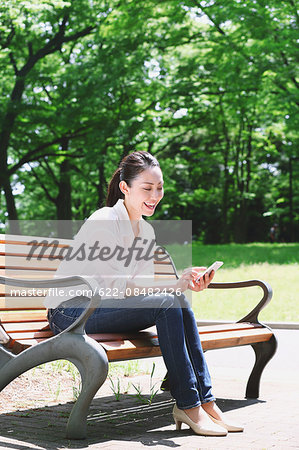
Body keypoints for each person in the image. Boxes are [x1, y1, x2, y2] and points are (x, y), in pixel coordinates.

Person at [46, 151, 243, 437]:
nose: (155, 195)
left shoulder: (146, 232)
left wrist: (182, 284)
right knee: (170, 300)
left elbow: (139, 290)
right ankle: (189, 405)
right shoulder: (105, 221)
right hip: (70, 311)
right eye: (147, 188)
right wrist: (173, 286)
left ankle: (205, 400)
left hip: (102, 307)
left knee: (177, 301)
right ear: (125, 188)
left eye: (159, 188)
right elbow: (119, 288)